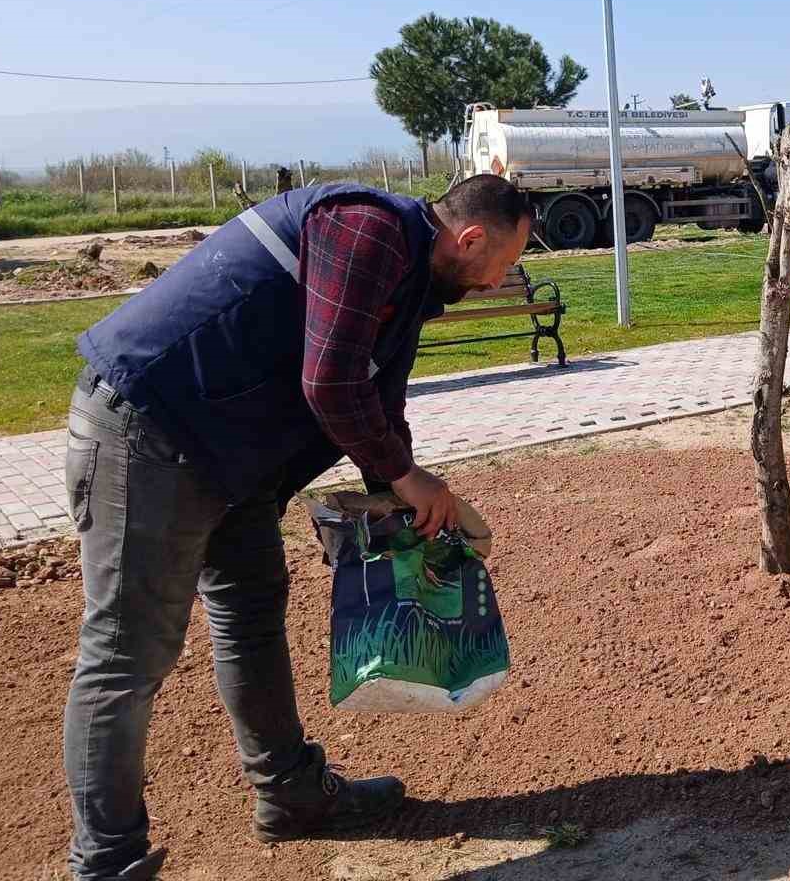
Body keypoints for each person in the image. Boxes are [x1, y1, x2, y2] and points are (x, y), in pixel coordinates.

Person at [61, 175, 532, 880]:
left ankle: (290, 795)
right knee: (126, 655)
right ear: (470, 240)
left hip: (230, 454)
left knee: (251, 618)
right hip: (150, 429)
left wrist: (407, 506)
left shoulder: (409, 280)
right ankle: (106, 864)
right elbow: (331, 381)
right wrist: (408, 479)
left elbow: (377, 400)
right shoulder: (366, 230)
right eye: (505, 262)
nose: (501, 282)